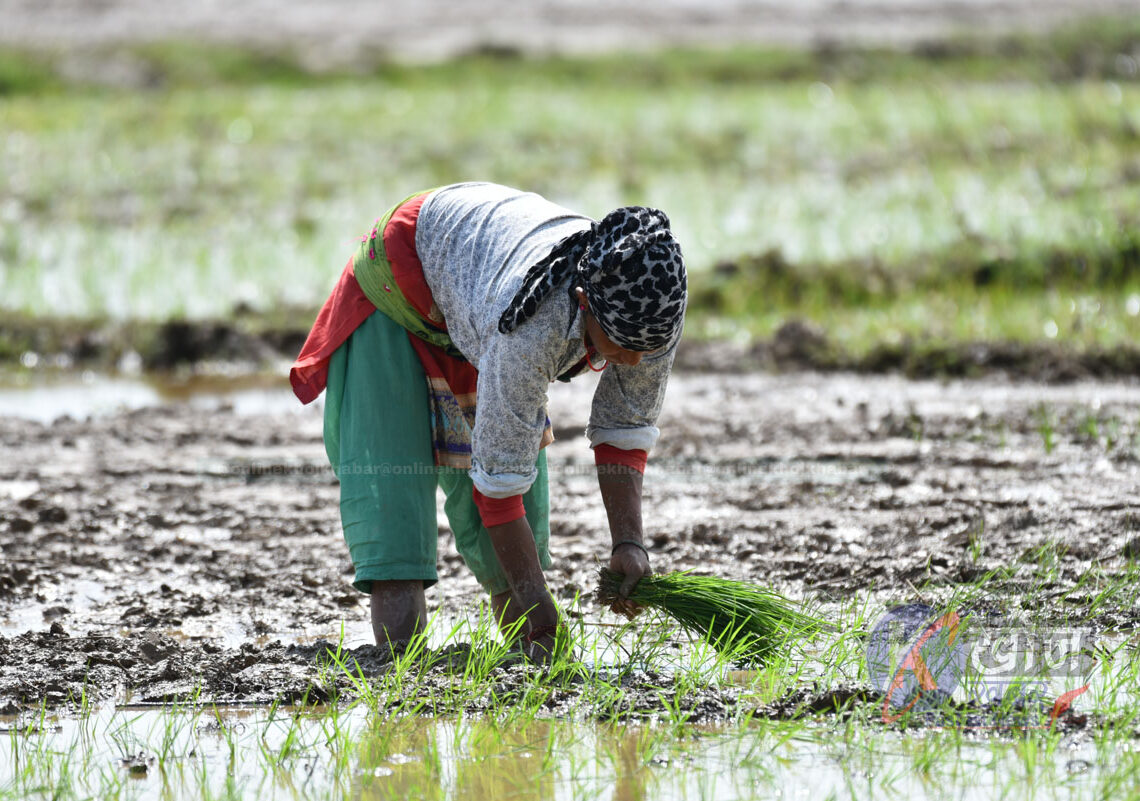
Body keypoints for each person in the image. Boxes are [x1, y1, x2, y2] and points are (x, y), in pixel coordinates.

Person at [290, 182, 686, 661]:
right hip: (401, 287)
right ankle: (398, 674)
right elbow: (500, 487)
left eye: (647, 348)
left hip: (480, 296)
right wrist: (540, 610)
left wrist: (630, 543)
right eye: (620, 343)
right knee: (395, 513)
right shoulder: (533, 326)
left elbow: (624, 430)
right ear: (584, 301)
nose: (634, 359)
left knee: (523, 540)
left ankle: (526, 657)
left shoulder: (654, 307)